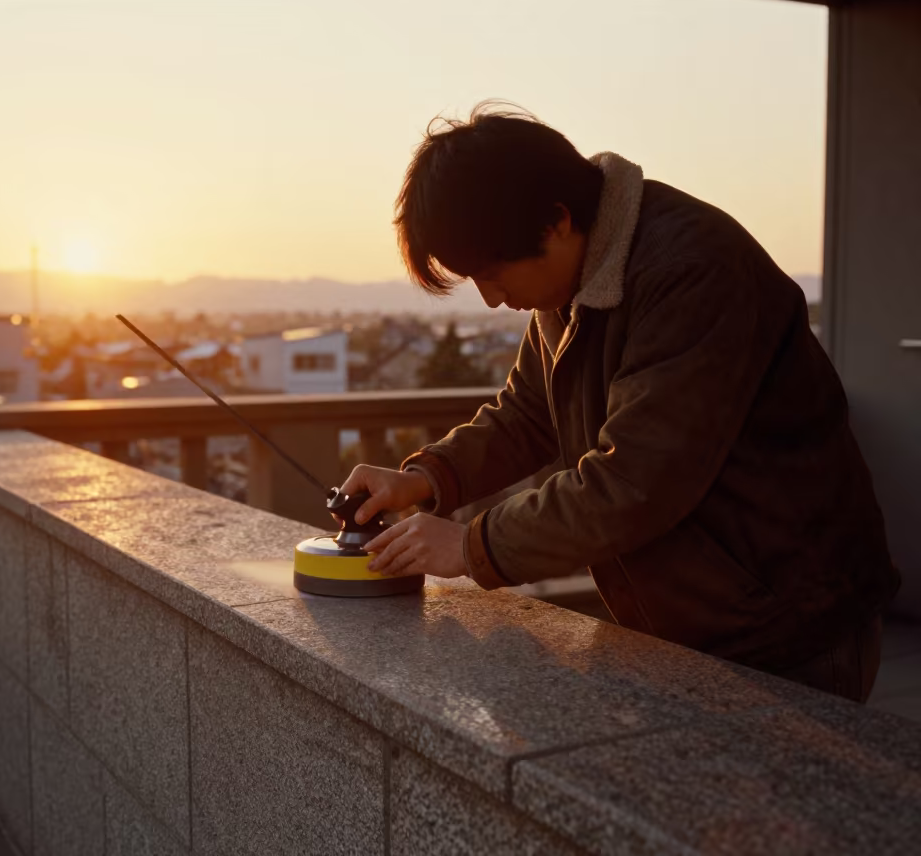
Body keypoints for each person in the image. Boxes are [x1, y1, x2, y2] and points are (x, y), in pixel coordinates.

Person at [341, 104, 899, 702]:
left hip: (787, 625)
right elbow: (528, 415)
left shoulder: (692, 270)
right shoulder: (569, 281)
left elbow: (637, 480)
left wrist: (471, 546)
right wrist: (424, 478)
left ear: (555, 221)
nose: (492, 300)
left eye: (493, 272)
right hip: (680, 623)